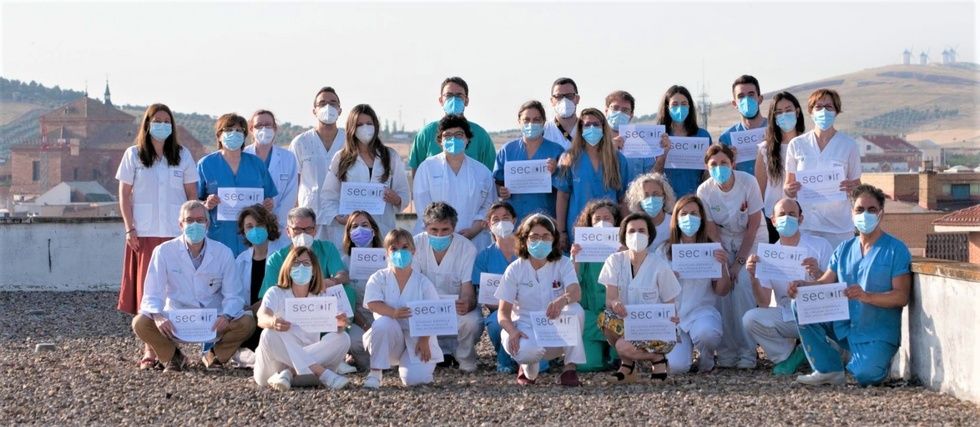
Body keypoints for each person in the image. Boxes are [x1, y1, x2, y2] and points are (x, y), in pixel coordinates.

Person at [790, 185, 911, 386]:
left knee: (866, 376)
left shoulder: (896, 249)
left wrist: (867, 296)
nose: (865, 215)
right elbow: (824, 282)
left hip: (877, 333)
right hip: (844, 327)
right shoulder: (844, 248)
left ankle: (876, 360)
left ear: (881, 213)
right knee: (800, 303)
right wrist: (802, 286)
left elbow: (901, 296)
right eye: (860, 209)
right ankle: (828, 369)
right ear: (852, 213)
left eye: (871, 209)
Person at [115, 103, 199, 369]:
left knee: (173, 291)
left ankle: (170, 347)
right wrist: (130, 228)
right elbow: (124, 195)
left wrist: (192, 228)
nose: (162, 125)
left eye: (166, 121)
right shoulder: (133, 155)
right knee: (148, 292)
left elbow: (192, 195)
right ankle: (150, 350)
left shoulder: (182, 155)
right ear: (147, 124)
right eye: (157, 120)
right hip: (145, 233)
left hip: (176, 234)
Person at [132, 200, 255, 371]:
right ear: (180, 224)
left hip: (213, 320)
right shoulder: (163, 251)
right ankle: (173, 356)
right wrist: (158, 316)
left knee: (247, 322)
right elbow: (152, 293)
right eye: (189, 220)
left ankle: (214, 355)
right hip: (176, 319)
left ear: (207, 224)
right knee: (140, 323)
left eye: (200, 220)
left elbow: (233, 294)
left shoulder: (223, 252)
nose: (195, 225)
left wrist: (226, 316)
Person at [697, 144, 768, 369]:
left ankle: (748, 351)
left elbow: (753, 224)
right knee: (723, 290)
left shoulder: (748, 182)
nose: (719, 168)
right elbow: (711, 228)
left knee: (744, 284)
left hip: (752, 238)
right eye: (714, 164)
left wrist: (738, 264)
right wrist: (725, 264)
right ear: (707, 167)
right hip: (723, 239)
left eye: (724, 163)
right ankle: (726, 350)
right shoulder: (704, 191)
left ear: (733, 163)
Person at [743, 198, 832, 376]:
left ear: (801, 219)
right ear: (773, 220)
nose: (787, 218)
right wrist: (753, 278)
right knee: (750, 319)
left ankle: (812, 349)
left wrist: (817, 273)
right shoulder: (768, 255)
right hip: (788, 316)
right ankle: (789, 356)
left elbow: (835, 290)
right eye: (782, 214)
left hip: (818, 315)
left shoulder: (820, 246)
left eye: (792, 214)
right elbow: (764, 302)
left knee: (839, 346)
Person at [497, 214, 585, 386]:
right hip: (525, 327)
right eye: (534, 237)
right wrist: (512, 331)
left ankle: (569, 369)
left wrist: (562, 300)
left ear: (554, 239)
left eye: (546, 236)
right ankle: (527, 368)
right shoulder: (514, 269)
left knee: (576, 310)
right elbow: (502, 312)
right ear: (524, 240)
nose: (540, 241)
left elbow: (575, 292)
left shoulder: (563, 263)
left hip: (556, 329)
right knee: (527, 352)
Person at [598, 213, 682, 382]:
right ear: (624, 235)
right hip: (627, 324)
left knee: (622, 346)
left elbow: (671, 304)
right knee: (604, 318)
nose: (636, 235)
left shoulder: (660, 265)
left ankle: (658, 359)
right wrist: (615, 303)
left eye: (642, 231)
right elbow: (609, 299)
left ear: (649, 235)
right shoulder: (614, 261)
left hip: (655, 328)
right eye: (631, 231)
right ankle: (628, 366)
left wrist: (673, 317)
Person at [253, 246, 351, 390]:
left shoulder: (321, 296)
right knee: (269, 333)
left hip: (298, 371)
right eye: (296, 263)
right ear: (288, 268)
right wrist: (273, 322)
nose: (301, 267)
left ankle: (289, 372)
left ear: (314, 270)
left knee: (343, 338)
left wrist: (340, 324)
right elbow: (261, 317)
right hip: (270, 371)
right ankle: (322, 373)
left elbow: (336, 326)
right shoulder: (275, 292)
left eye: (306, 263)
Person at [362, 228, 445, 388]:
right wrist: (393, 313)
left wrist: (425, 339)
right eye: (394, 248)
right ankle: (375, 373)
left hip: (417, 340)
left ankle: (410, 367)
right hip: (388, 339)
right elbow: (372, 303)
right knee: (384, 323)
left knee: (415, 380)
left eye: (405, 247)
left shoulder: (423, 283)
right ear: (387, 253)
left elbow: (433, 313)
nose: (400, 252)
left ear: (413, 251)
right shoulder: (378, 277)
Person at [323, 104, 410, 249]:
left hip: (383, 229)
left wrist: (396, 199)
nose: (365, 128)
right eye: (359, 124)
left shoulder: (390, 156)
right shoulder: (341, 158)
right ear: (351, 128)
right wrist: (339, 217)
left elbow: (404, 194)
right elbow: (328, 195)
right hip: (351, 232)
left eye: (369, 123)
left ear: (375, 125)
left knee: (381, 261)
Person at [784, 88, 862, 249]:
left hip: (838, 228)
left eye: (828, 107)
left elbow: (858, 186)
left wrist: (852, 188)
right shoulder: (797, 144)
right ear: (811, 112)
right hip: (806, 227)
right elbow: (787, 187)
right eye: (818, 107)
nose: (823, 111)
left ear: (836, 111)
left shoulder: (849, 145)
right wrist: (790, 189)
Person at [662, 195, 732, 374]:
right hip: (674, 318)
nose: (689, 218)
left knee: (708, 334)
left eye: (694, 213)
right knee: (677, 368)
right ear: (676, 219)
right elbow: (654, 289)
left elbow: (722, 291)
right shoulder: (664, 250)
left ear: (701, 218)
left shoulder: (712, 248)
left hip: (701, 313)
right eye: (684, 214)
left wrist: (723, 266)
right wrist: (667, 279)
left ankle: (706, 361)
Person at [411, 202, 481, 372]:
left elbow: (467, 288)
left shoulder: (467, 248)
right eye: (434, 230)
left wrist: (467, 303)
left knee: (472, 321)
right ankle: (423, 354)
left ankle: (465, 358)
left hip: (454, 310)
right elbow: (411, 286)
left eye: (445, 230)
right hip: (424, 309)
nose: (439, 234)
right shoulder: (414, 244)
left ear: (454, 227)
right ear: (425, 226)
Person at [197, 113, 278, 257]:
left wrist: (269, 204)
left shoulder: (257, 164)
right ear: (219, 136)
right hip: (218, 236)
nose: (234, 134)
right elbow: (195, 201)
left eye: (239, 130)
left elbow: (269, 197)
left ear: (244, 136)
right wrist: (206, 204)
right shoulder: (206, 164)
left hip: (251, 237)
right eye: (228, 130)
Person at [412, 115, 497, 250]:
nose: (453, 139)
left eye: (459, 135)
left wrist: (473, 231)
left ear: (467, 139)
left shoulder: (482, 171)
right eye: (447, 135)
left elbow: (489, 205)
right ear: (440, 141)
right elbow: (422, 205)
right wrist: (442, 231)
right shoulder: (427, 167)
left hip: (474, 240)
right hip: (436, 239)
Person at [554, 108, 630, 250]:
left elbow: (623, 199)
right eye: (587, 125)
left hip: (611, 228)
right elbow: (562, 196)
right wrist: (561, 231)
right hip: (578, 229)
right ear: (580, 129)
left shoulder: (618, 159)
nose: (592, 128)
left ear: (604, 127)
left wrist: (626, 230)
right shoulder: (569, 158)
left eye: (596, 124)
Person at [568, 199, 622, 372]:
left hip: (618, 315)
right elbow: (573, 283)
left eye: (607, 218)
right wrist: (575, 259)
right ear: (589, 223)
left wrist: (626, 256)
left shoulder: (625, 248)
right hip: (590, 317)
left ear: (616, 221)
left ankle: (613, 353)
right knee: (587, 365)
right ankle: (603, 354)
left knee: (622, 356)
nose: (602, 223)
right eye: (597, 219)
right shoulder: (583, 250)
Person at [471, 202, 522, 373]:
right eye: (496, 219)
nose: (501, 223)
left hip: (528, 308)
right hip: (498, 310)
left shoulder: (527, 251)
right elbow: (486, 297)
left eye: (506, 218)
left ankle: (531, 357)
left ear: (514, 220)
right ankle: (505, 358)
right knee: (495, 323)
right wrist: (506, 308)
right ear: (488, 225)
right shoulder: (484, 257)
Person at [289, 86, 346, 240]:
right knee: (311, 254)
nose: (328, 107)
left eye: (333, 103)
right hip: (310, 219)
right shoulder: (300, 142)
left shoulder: (350, 141)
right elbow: (293, 182)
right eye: (322, 103)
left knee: (340, 255)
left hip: (341, 217)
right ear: (314, 110)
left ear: (340, 110)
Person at [407, 76, 496, 172]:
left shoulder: (481, 135)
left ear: (466, 101)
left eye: (459, 95)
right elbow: (417, 173)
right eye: (449, 95)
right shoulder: (425, 134)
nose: (454, 100)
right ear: (441, 100)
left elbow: (490, 174)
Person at [492, 100, 563, 220]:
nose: (531, 124)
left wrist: (556, 172)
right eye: (526, 120)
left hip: (546, 219)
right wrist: (501, 191)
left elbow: (566, 188)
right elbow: (496, 183)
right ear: (519, 122)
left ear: (543, 122)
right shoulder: (507, 151)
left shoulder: (556, 151)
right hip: (514, 219)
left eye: (536, 120)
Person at [754, 92, 806, 244]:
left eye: (788, 110)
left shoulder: (808, 145)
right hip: (775, 221)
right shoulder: (765, 149)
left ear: (797, 112)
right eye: (779, 112)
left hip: (804, 219)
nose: (784, 115)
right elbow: (759, 191)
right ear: (774, 117)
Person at [233, 204, 282, 359]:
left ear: (268, 226)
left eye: (259, 225)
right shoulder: (240, 261)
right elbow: (234, 295)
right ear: (244, 231)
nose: (255, 230)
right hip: (248, 320)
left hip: (273, 318)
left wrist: (254, 310)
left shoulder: (281, 256)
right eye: (249, 226)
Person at [244, 109, 297, 251]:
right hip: (249, 226)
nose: (264, 129)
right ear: (251, 129)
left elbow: (291, 194)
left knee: (275, 260)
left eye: (268, 125)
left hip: (278, 226)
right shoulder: (243, 156)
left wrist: (274, 218)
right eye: (259, 125)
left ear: (275, 128)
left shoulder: (288, 158)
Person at [339, 210, 385, 371]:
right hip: (359, 319)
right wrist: (366, 325)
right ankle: (363, 363)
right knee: (352, 340)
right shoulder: (344, 262)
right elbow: (348, 301)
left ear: (374, 231)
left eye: (365, 225)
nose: (360, 230)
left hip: (385, 316)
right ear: (349, 233)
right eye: (355, 226)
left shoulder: (387, 258)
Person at [653, 85, 714, 198]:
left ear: (690, 106)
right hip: (668, 200)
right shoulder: (659, 136)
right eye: (675, 104)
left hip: (696, 198)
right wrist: (664, 154)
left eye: (684, 104)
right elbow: (653, 176)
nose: (680, 108)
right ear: (667, 107)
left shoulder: (703, 135)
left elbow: (708, 172)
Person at [718, 75, 767, 175]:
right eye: (741, 96)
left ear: (760, 99)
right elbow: (722, 175)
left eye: (751, 94)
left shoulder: (776, 129)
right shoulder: (726, 138)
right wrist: (728, 160)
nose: (746, 100)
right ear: (734, 104)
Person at [624, 172, 677, 251]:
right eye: (646, 195)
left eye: (655, 194)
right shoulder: (632, 225)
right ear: (638, 199)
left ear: (664, 196)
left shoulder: (674, 223)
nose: (651, 198)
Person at [605, 90, 649, 184]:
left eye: (625, 110)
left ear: (631, 115)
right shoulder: (595, 141)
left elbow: (651, 176)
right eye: (615, 108)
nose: (619, 112)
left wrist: (662, 155)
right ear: (606, 111)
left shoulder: (641, 144)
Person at [543, 77, 580, 150]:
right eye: (558, 96)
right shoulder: (543, 131)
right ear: (552, 101)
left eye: (569, 96)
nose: (564, 101)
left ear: (577, 99)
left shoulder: (588, 130)